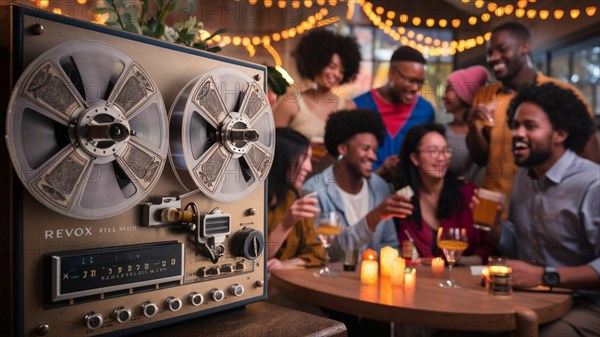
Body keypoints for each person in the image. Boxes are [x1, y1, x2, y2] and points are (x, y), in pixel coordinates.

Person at [492, 83, 599, 336]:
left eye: (530, 126)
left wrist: (546, 276)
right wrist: (497, 230)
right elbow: (524, 247)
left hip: (589, 304)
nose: (517, 133)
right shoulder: (523, 178)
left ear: (560, 134)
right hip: (538, 298)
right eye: (515, 126)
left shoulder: (592, 183)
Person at [467, 22, 600, 219]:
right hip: (491, 207)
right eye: (489, 52)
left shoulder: (561, 94)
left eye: (502, 50)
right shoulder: (485, 96)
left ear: (524, 47)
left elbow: (591, 165)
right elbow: (481, 159)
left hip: (545, 211)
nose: (493, 58)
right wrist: (473, 126)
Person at [302, 109, 412, 256]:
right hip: (330, 279)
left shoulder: (380, 187)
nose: (373, 156)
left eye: (375, 150)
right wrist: (375, 216)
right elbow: (322, 253)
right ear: (343, 149)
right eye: (366, 149)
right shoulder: (314, 192)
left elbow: (389, 245)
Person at [393, 123, 497, 266]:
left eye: (446, 151)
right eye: (433, 151)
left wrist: (465, 261)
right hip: (422, 280)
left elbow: (489, 244)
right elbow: (404, 248)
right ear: (415, 158)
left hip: (466, 280)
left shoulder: (467, 192)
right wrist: (414, 260)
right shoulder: (404, 199)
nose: (442, 158)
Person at [273, 28, 361, 172]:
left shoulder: (348, 108)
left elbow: (353, 152)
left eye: (342, 70)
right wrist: (302, 150)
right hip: (294, 182)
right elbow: (269, 146)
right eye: (331, 66)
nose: (336, 74)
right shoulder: (290, 103)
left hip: (332, 185)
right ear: (316, 63)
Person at [353, 45, 435, 181]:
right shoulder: (359, 106)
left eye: (420, 83)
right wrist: (380, 172)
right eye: (410, 80)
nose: (415, 88)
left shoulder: (425, 111)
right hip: (363, 191)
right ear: (391, 73)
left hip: (407, 193)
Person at [266, 128, 324, 271]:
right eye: (304, 157)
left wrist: (285, 265)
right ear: (282, 156)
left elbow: (317, 253)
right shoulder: (250, 200)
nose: (309, 167)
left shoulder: (293, 198)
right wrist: (286, 223)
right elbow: (256, 260)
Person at [442, 65, 489, 182]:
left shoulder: (479, 136)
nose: (443, 96)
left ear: (464, 94)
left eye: (449, 89)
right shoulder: (441, 131)